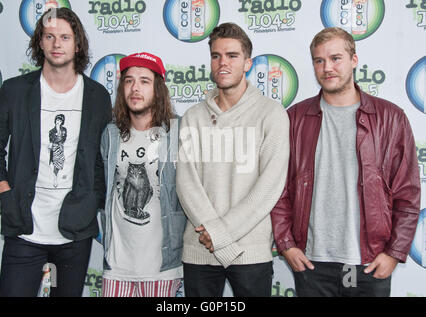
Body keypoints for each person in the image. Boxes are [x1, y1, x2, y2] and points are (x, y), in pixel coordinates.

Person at [270, 27, 420, 297]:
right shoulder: (294, 118)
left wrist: (394, 253)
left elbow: (407, 194)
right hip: (311, 262)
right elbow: (277, 188)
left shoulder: (390, 118)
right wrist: (286, 245)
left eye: (336, 58)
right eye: (319, 60)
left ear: (354, 60)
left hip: (370, 263)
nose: (327, 67)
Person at [0, 8, 112, 297]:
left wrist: (93, 200)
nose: (56, 44)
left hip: (75, 229)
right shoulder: (14, 91)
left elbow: (104, 159)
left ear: (77, 44)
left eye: (64, 37)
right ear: (39, 43)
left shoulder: (97, 96)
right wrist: (5, 194)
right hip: (25, 228)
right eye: (49, 36)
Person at [176, 23, 290, 297]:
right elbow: (186, 184)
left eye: (232, 55)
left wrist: (218, 234)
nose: (223, 63)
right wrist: (215, 236)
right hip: (199, 250)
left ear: (248, 63)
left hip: (249, 251)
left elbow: (269, 187)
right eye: (216, 56)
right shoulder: (192, 116)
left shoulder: (271, 114)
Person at [99, 52, 186, 297]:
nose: (135, 88)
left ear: (158, 90)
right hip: (116, 267)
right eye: (129, 81)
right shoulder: (110, 135)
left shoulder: (177, 132)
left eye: (144, 81)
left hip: (162, 268)